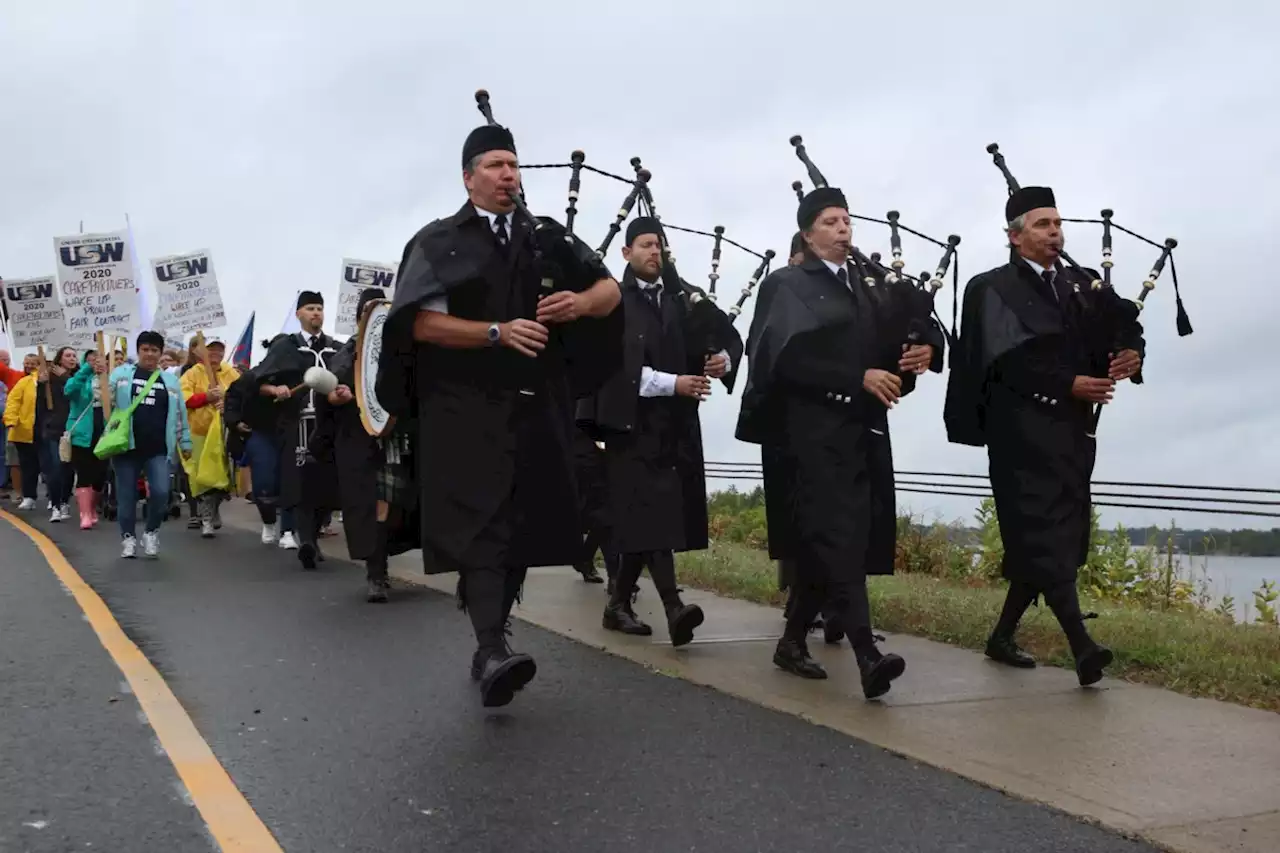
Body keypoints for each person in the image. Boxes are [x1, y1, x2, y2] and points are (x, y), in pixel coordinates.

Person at [376, 117, 623, 708]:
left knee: (519, 531)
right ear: (468, 179)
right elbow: (415, 321)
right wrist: (494, 332)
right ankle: (491, 648)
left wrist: (578, 302)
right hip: (464, 413)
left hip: (538, 410)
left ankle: (492, 634)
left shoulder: (547, 236)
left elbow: (610, 291)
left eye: (513, 164)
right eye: (494, 165)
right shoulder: (439, 240)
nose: (507, 175)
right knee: (482, 529)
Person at [736, 187, 940, 700]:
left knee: (830, 541)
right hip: (807, 436)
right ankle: (868, 655)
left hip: (863, 431)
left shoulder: (870, 288)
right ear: (808, 233)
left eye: (847, 219)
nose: (843, 227)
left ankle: (790, 642)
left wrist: (918, 355)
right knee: (839, 538)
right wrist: (857, 377)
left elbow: (895, 348)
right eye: (830, 221)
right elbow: (778, 360)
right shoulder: (786, 284)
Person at [943, 186, 1141, 687]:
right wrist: (1066, 383)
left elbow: (1123, 326)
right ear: (1014, 236)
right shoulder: (991, 288)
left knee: (1053, 536)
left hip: (1074, 430)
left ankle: (1001, 636)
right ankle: (1082, 646)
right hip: (1018, 432)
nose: (1054, 232)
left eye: (1057, 224)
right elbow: (1002, 360)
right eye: (1042, 225)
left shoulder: (1082, 283)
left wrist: (1131, 355)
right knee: (1043, 532)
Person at [577, 216, 738, 644]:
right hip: (630, 426)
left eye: (660, 245)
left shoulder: (681, 300)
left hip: (674, 427)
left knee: (648, 517)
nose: (655, 252)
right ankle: (673, 606)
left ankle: (616, 604)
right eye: (646, 245)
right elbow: (620, 369)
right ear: (626, 253)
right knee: (652, 513)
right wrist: (676, 383)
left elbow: (718, 339)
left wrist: (719, 360)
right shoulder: (614, 300)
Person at [310, 287, 420, 602]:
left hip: (393, 440)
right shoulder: (348, 353)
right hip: (357, 442)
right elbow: (330, 389)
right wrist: (337, 395)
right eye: (368, 308)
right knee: (371, 506)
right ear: (361, 316)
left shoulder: (402, 349)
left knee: (390, 506)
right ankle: (376, 572)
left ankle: (381, 563)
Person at [253, 293, 341, 569]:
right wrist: (275, 389)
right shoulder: (286, 348)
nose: (316, 313)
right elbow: (258, 383)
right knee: (301, 482)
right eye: (310, 309)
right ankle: (306, 541)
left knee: (327, 484)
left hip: (328, 425)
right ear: (299, 314)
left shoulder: (334, 348)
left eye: (320, 309)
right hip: (297, 424)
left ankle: (312, 537)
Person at [107, 331, 192, 558]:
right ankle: (128, 538)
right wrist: (99, 379)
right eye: (145, 349)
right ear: (138, 351)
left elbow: (181, 413)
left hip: (159, 448)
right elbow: (105, 400)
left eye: (155, 350)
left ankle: (151, 532)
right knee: (126, 497)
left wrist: (185, 440)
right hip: (126, 447)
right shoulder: (121, 374)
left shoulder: (171, 380)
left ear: (161, 352)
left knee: (162, 493)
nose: (150, 354)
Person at [180, 337, 240, 537]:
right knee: (204, 477)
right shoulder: (192, 373)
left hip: (223, 432)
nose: (215, 354)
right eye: (211, 350)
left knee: (223, 476)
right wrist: (206, 397)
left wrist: (227, 402)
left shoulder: (230, 372)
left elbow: (240, 395)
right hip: (199, 432)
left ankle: (213, 510)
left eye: (219, 350)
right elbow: (183, 398)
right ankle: (206, 518)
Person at [63, 349, 110, 528]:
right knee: (84, 473)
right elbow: (69, 390)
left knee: (100, 474)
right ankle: (84, 514)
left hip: (103, 431)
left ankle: (91, 508)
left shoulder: (109, 380)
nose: (95, 363)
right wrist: (86, 370)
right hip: (82, 432)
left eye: (97, 360)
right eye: (90, 360)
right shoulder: (79, 380)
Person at [2, 354, 41, 510]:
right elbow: (13, 402)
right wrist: (11, 420)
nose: (30, 366)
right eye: (27, 363)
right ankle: (28, 496)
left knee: (51, 466)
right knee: (26, 465)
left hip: (45, 429)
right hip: (23, 430)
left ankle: (57, 500)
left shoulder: (48, 382)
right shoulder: (21, 380)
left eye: (34, 363)